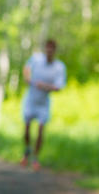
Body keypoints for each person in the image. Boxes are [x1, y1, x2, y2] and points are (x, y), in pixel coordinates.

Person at [20, 39, 66, 170]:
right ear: (45, 49)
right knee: (27, 128)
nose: (49, 51)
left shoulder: (59, 67)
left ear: (55, 51)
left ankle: (35, 158)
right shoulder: (36, 59)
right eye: (47, 48)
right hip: (30, 100)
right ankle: (27, 150)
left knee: (40, 129)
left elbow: (59, 87)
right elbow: (26, 67)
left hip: (43, 103)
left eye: (52, 49)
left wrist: (44, 86)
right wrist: (27, 77)